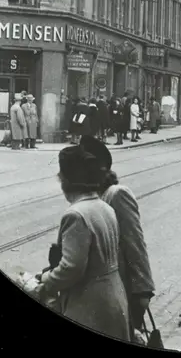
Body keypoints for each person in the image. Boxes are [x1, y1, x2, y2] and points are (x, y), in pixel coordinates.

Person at [33, 145, 131, 341]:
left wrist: (45, 280)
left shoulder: (75, 215)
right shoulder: (105, 207)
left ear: (66, 182)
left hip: (88, 304)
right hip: (114, 297)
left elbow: (71, 268)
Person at [80, 136, 155, 342]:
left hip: (124, 289)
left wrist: (143, 291)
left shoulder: (116, 194)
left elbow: (135, 243)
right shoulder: (92, 198)